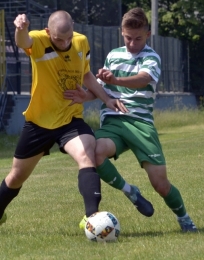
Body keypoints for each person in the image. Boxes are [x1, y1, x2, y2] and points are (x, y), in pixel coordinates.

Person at [64, 7, 197, 232]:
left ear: (147, 34)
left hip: (141, 124)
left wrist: (116, 79)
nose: (132, 43)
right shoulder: (113, 55)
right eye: (127, 38)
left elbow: (143, 79)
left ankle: (184, 218)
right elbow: (102, 89)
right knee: (94, 153)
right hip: (114, 121)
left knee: (160, 185)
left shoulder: (152, 57)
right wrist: (84, 96)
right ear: (121, 33)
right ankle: (130, 192)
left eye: (137, 38)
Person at [0, 10, 127, 227]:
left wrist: (106, 99)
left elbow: (86, 74)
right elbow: (24, 41)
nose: (65, 42)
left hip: (70, 119)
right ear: (49, 32)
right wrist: (21, 29)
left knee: (86, 155)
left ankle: (92, 219)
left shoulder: (81, 42)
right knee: (16, 177)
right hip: (39, 123)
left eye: (68, 37)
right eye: (59, 39)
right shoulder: (39, 40)